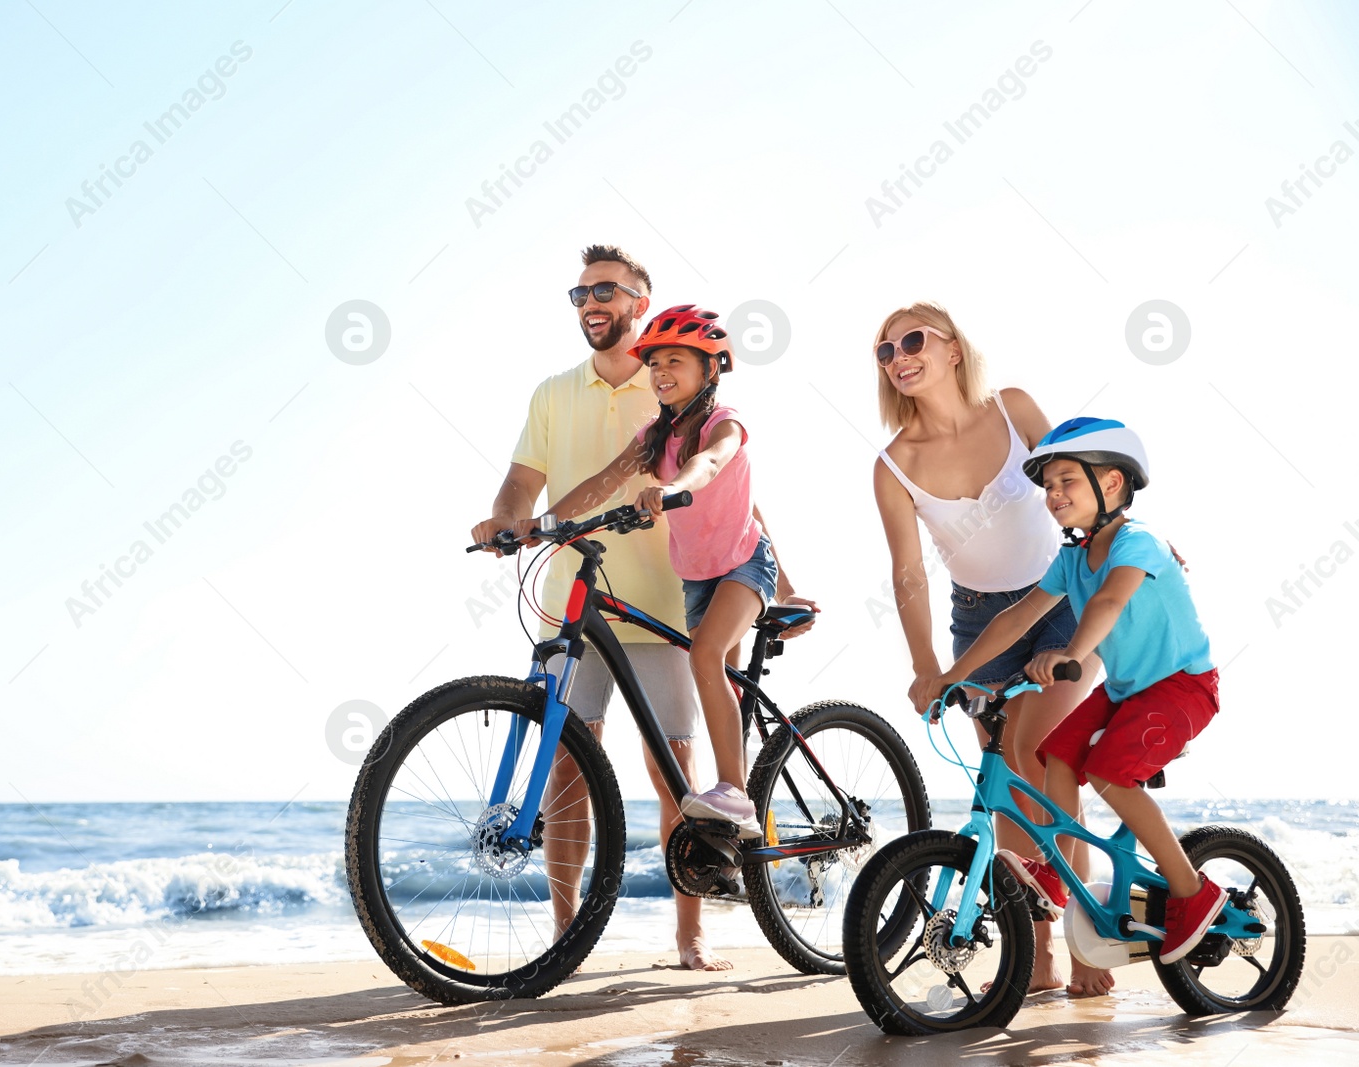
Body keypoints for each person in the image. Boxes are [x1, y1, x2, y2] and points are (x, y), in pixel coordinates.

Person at [470, 246, 814, 972]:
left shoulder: (681, 394)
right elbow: (541, 482)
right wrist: (517, 523)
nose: (590, 301)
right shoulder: (560, 394)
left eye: (606, 289)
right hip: (576, 601)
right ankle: (567, 934)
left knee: (673, 773)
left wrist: (783, 584)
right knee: (567, 765)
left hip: (667, 597)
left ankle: (691, 936)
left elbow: (725, 479)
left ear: (639, 300)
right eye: (578, 291)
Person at [921, 417, 1223, 971]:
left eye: (1068, 482)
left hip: (1181, 688)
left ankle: (1192, 890)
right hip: (1127, 690)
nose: (1053, 495)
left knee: (1109, 770)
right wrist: (952, 674)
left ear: (1112, 485)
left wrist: (1071, 654)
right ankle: (1058, 875)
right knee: (1055, 755)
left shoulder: (1140, 542)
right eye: (1048, 486)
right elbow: (1019, 617)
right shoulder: (1070, 558)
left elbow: (1108, 604)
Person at [870, 301, 1107, 995]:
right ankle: (1034, 949)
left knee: (1046, 754)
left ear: (951, 348)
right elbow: (908, 575)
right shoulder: (894, 464)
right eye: (885, 351)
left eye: (912, 340)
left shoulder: (1013, 407)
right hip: (981, 626)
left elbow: (1085, 480)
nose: (900, 356)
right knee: (1004, 786)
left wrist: (1124, 544)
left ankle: (1086, 935)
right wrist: (925, 669)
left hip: (1063, 600)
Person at [546, 305, 773, 839]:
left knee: (707, 657)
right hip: (697, 579)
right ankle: (738, 837)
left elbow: (709, 465)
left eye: (676, 359)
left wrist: (670, 489)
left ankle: (735, 795)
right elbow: (605, 481)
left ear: (710, 370)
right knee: (728, 688)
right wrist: (544, 523)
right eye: (654, 363)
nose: (661, 370)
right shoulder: (655, 434)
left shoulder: (726, 423)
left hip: (744, 566)